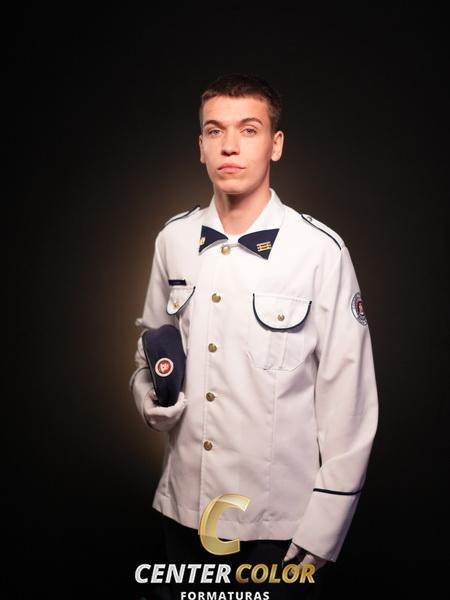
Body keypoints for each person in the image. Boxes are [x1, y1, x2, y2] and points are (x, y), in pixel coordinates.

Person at [129, 73, 379, 598]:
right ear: (201, 146)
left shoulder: (320, 251)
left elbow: (349, 396)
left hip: (279, 528)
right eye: (214, 131)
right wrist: (149, 398)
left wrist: (326, 524)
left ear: (276, 144)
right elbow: (151, 347)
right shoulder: (173, 239)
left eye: (248, 129)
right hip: (183, 513)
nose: (230, 146)